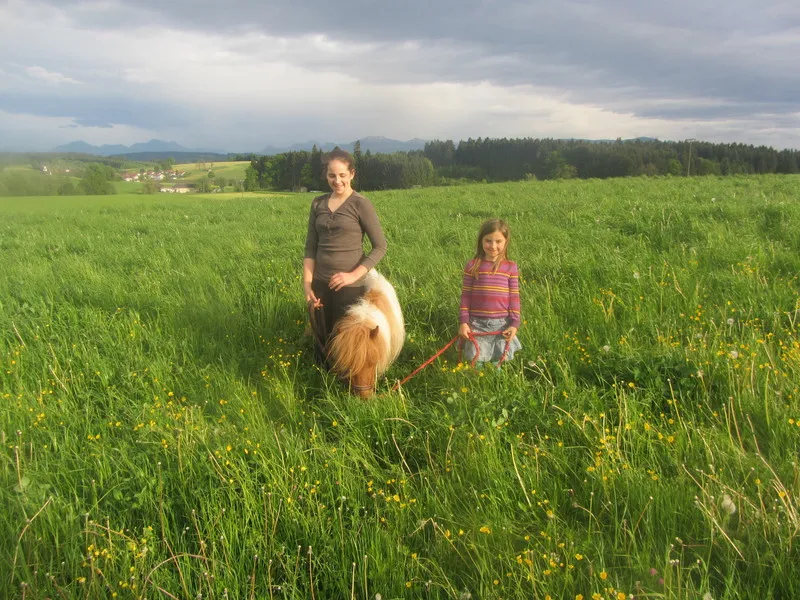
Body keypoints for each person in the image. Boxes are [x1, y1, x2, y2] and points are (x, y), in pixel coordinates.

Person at [303, 149, 387, 364]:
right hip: (320, 284)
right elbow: (310, 247)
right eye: (332, 175)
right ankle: (321, 386)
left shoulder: (360, 204)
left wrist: (351, 276)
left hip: (350, 288)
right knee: (321, 339)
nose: (337, 181)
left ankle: (349, 388)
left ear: (352, 174)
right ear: (326, 175)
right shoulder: (317, 204)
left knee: (347, 344)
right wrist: (308, 284)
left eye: (342, 175)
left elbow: (380, 247)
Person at [458, 218, 522, 363]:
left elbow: (514, 297)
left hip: (501, 325)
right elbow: (466, 296)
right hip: (476, 324)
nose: (493, 246)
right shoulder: (472, 266)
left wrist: (514, 324)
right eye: (488, 240)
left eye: (498, 241)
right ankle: (477, 380)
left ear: (506, 241)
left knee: (498, 359)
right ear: (481, 241)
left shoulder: (510, 267)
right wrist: (463, 322)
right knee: (476, 359)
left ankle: (496, 380)